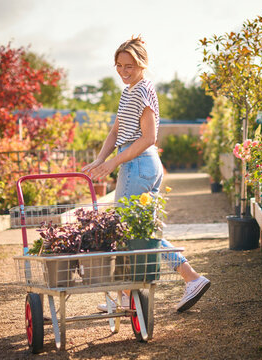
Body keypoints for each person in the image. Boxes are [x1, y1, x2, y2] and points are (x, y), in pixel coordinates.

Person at [82, 35, 210, 312]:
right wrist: (99, 160)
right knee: (138, 232)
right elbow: (116, 131)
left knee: (133, 232)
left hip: (138, 163)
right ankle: (130, 294)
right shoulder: (129, 91)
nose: (123, 71)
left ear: (142, 65)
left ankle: (190, 278)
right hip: (141, 164)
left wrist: (114, 162)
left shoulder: (141, 90)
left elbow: (149, 137)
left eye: (130, 66)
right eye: (119, 65)